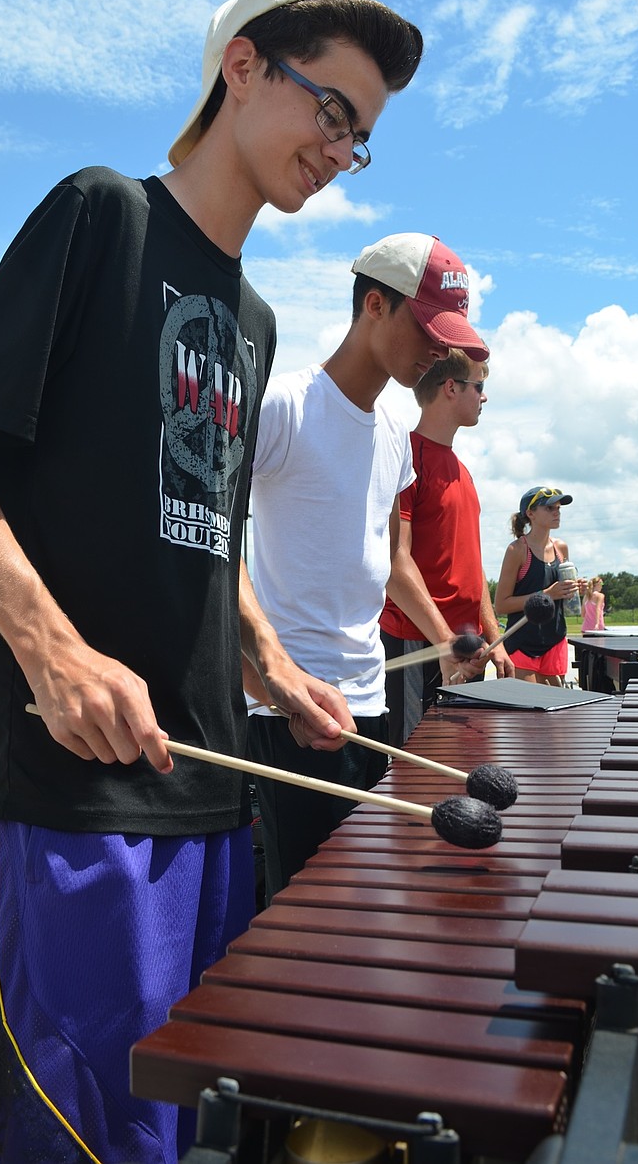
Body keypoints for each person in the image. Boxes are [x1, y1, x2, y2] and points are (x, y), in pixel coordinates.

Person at [0, 0, 423, 1164]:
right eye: (330, 108)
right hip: (76, 789)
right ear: (242, 66)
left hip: (211, 786)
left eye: (360, 136)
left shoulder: (256, 321)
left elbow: (208, 528)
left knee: (175, 1136)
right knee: (67, 1134)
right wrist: (54, 652)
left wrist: (272, 665)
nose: (339, 149)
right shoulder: (102, 216)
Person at [246, 233, 488, 899]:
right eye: (429, 331)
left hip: (370, 701)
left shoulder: (392, 438)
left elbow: (393, 560)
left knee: (369, 899)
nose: (440, 352)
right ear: (375, 305)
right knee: (304, 911)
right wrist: (266, 677)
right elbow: (217, 544)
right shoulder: (282, 406)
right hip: (292, 711)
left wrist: (445, 642)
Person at [380, 348, 513, 747]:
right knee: (414, 766)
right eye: (479, 386)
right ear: (451, 388)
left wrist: (494, 637)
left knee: (464, 761)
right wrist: (443, 640)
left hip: (469, 647)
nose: (484, 396)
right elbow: (394, 561)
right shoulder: (405, 459)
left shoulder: (464, 472)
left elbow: (472, 566)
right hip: (418, 642)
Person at [494, 487, 579, 686]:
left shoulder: (561, 548)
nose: (557, 512)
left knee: (556, 704)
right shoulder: (517, 550)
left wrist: (574, 590)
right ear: (530, 513)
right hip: (523, 642)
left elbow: (561, 594)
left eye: (558, 508)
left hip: (555, 639)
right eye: (549, 508)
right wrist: (546, 595)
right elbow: (501, 605)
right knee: (528, 704)